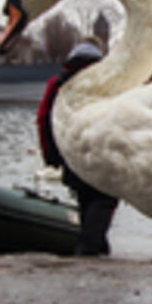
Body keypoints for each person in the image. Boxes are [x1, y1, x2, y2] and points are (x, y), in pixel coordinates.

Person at [38, 41, 119, 256]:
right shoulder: (109, 82)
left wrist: (51, 155)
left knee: (86, 200)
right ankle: (89, 249)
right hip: (103, 152)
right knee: (105, 199)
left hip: (71, 152)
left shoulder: (58, 84)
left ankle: (99, 247)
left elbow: (44, 118)